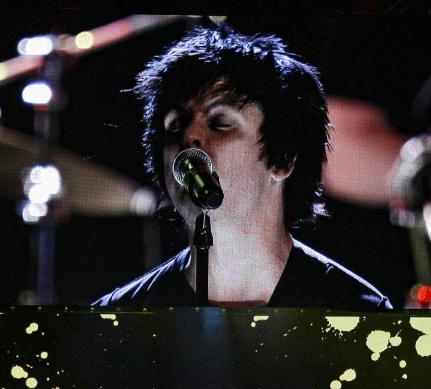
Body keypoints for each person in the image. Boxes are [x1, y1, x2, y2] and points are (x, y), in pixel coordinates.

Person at [93, 25, 392, 310]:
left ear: (282, 159)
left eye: (221, 123)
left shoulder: (356, 312)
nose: (189, 137)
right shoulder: (120, 317)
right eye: (175, 125)